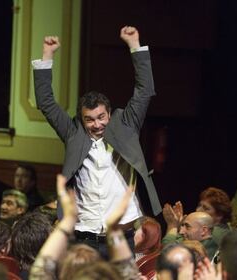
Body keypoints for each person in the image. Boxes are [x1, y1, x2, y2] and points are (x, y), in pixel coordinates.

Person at [32, 25, 161, 256]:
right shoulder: (74, 133)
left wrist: (134, 46)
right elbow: (46, 103)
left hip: (121, 237)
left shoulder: (126, 125)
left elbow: (144, 90)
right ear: (82, 120)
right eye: (89, 119)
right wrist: (47, 56)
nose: (97, 124)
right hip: (83, 237)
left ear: (109, 114)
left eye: (101, 117)